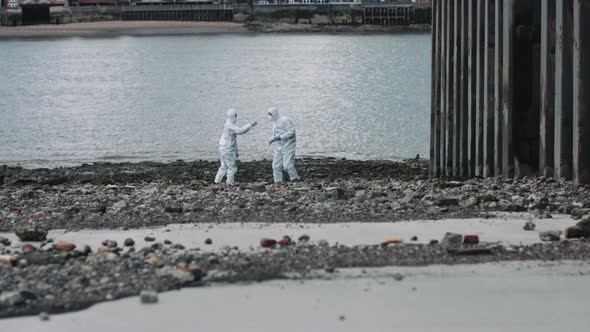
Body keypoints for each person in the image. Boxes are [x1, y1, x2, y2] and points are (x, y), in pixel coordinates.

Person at [214, 109, 257, 185]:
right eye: (236, 116)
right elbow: (240, 131)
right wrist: (250, 125)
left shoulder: (228, 124)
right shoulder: (229, 125)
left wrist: (236, 151)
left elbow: (234, 140)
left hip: (223, 147)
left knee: (223, 166)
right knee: (232, 168)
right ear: (233, 116)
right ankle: (229, 183)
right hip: (227, 149)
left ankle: (217, 181)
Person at [267, 107, 300, 183]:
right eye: (268, 114)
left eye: (270, 114)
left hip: (288, 145)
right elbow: (275, 133)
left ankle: (295, 179)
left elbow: (291, 132)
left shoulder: (285, 120)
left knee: (287, 165)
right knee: (275, 165)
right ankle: (278, 181)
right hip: (278, 147)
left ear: (275, 113)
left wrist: (280, 137)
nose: (269, 116)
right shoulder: (274, 122)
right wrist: (272, 138)